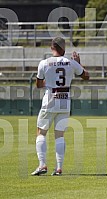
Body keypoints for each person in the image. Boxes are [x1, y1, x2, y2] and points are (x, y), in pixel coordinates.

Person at [31, 37, 89, 176]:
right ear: (64, 49)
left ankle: (42, 164)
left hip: (50, 100)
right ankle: (59, 168)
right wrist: (79, 64)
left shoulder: (44, 63)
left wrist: (49, 81)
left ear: (52, 48)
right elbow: (86, 76)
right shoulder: (71, 63)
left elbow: (38, 85)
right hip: (65, 101)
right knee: (59, 136)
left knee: (41, 132)